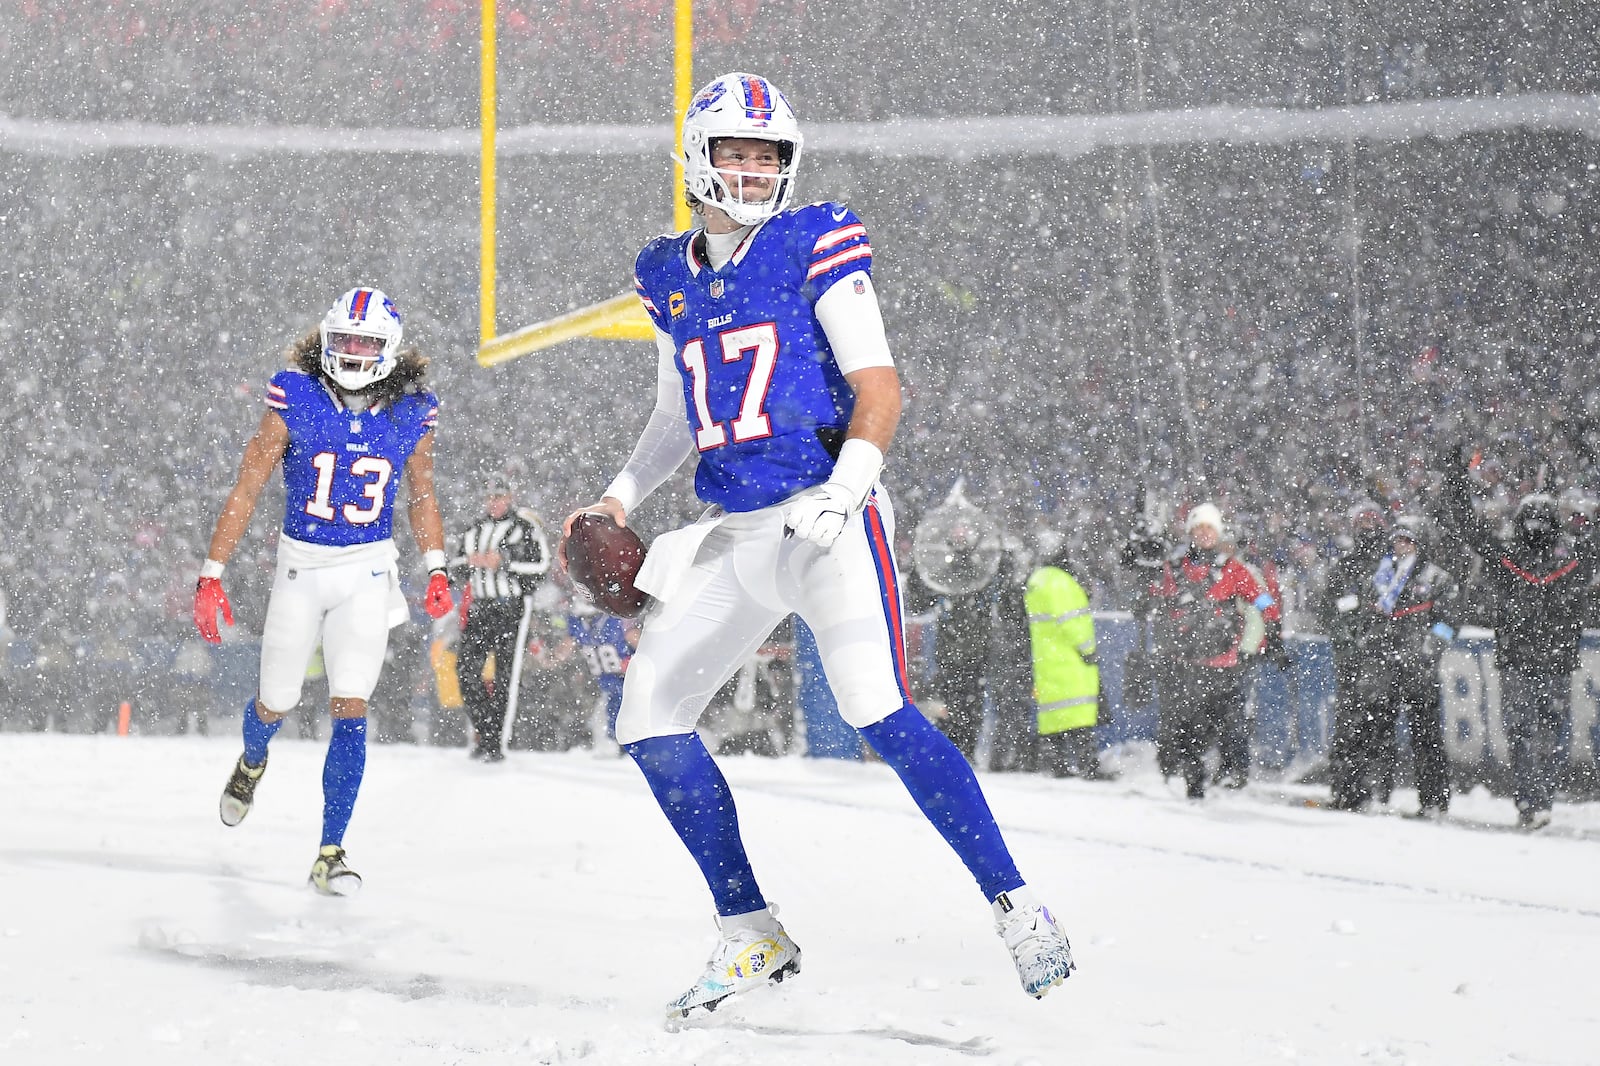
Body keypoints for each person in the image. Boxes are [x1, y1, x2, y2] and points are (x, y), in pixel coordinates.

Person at [561, 72, 1074, 1019]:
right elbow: (678, 411)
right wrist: (617, 497)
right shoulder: (666, 272)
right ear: (695, 155)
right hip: (733, 528)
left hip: (825, 514)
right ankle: (750, 931)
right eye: (737, 154)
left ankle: (1018, 905)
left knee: (878, 708)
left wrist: (845, 491)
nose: (754, 173)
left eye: (769, 157)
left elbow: (879, 385)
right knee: (647, 717)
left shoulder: (813, 239)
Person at [193, 286, 455, 894]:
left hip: (366, 569)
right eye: (347, 341)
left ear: (389, 350)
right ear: (326, 342)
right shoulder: (297, 395)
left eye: (369, 343)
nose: (357, 353)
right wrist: (211, 574)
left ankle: (330, 851)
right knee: (275, 701)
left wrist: (437, 565)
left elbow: (421, 493)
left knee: (352, 706)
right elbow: (248, 485)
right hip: (301, 568)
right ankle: (253, 759)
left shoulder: (412, 412)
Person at [1437, 471, 1600, 829]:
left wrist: (1455, 478)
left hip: (1530, 662)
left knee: (1529, 736)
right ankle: (1536, 801)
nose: (1537, 526)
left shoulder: (1509, 558)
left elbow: (1466, 526)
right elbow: (1466, 526)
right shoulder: (1570, 561)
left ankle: (1532, 802)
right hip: (1542, 662)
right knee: (1541, 736)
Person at [1130, 503, 1270, 800]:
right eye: (1199, 528)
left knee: (1228, 724)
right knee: (1188, 726)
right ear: (1191, 532)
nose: (1205, 534)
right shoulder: (1176, 566)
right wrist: (1147, 600)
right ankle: (1192, 782)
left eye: (1210, 528)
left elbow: (1260, 599)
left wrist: (1272, 630)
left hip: (1224, 662)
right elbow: (1158, 599)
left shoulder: (1232, 568)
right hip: (1188, 661)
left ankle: (1230, 778)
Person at [1336, 516, 1459, 816]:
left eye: (1408, 539)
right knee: (1375, 734)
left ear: (1420, 542)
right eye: (1398, 539)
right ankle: (1376, 793)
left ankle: (1433, 801)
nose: (1401, 545)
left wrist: (1428, 649)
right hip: (1380, 667)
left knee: (1427, 738)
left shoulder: (1436, 578)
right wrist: (1361, 637)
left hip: (1419, 670)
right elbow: (1349, 609)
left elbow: (1450, 621)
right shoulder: (1378, 575)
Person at [450, 476, 551, 761]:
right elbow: (455, 566)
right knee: (466, 671)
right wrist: (470, 563)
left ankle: (496, 742)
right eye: (490, 497)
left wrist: (505, 561)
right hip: (480, 606)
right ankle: (485, 729)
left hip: (511, 607)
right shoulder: (473, 529)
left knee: (507, 675)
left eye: (499, 497)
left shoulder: (524, 527)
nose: (494, 503)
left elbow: (541, 566)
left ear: (510, 497)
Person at [1316, 499, 1393, 806]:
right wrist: (1346, 642)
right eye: (1362, 522)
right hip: (1351, 661)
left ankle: (1378, 789)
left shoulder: (1392, 567)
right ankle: (1347, 788)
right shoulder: (1344, 568)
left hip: (1383, 659)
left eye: (1373, 521)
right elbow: (1329, 612)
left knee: (1381, 725)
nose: (1368, 527)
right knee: (1350, 725)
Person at [1025, 546, 1105, 779]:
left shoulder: (1037, 582)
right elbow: (1072, 622)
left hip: (1047, 658)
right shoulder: (1060, 583)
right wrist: (1088, 648)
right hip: (1069, 660)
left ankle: (1056, 763)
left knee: (1053, 716)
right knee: (1079, 715)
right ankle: (1088, 765)